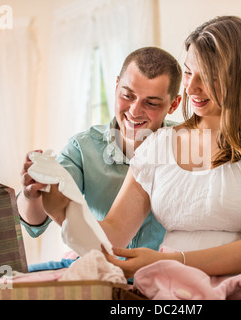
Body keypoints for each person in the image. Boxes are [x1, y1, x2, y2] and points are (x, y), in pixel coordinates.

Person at [42, 16, 241, 299]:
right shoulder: (157, 146)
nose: (191, 89)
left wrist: (166, 262)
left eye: (209, 76)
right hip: (177, 291)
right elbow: (114, 233)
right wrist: (58, 207)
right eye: (189, 73)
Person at [18, 47, 182, 270]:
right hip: (94, 264)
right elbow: (35, 223)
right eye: (127, 95)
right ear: (116, 86)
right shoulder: (83, 148)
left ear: (174, 104)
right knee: (0, 285)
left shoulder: (186, 147)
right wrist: (31, 194)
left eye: (151, 103)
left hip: (161, 272)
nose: (134, 111)